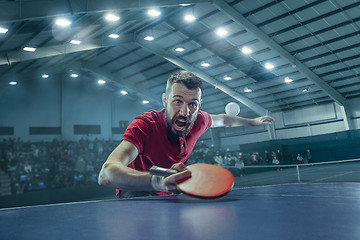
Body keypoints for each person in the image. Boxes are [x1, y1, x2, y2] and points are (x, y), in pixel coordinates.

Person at [98, 70, 274, 197]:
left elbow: (225, 120)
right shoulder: (145, 125)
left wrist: (254, 121)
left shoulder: (199, 121)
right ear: (165, 100)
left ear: (199, 105)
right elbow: (106, 174)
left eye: (192, 104)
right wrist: (157, 181)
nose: (185, 112)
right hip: (136, 191)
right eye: (177, 101)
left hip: (169, 190)